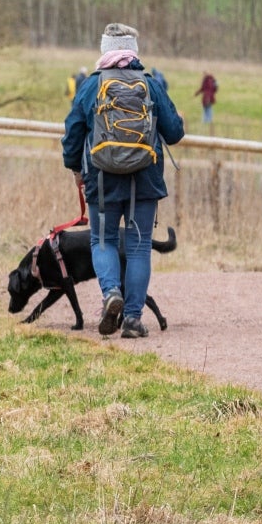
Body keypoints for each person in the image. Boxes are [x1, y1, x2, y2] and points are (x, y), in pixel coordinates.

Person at [62, 22, 186, 338]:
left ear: (104, 51)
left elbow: (73, 133)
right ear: (134, 52)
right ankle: (131, 320)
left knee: (102, 240)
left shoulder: (91, 86)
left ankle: (110, 294)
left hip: (102, 179)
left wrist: (75, 168)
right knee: (139, 246)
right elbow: (174, 133)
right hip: (145, 179)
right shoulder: (152, 85)